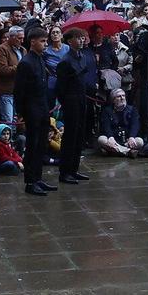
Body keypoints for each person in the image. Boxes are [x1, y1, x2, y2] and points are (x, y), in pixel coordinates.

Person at [55, 25, 98, 185]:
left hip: (82, 98)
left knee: (79, 134)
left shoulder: (82, 56)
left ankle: (74, 169)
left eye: (82, 38)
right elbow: (61, 87)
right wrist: (66, 101)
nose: (81, 40)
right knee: (70, 136)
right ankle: (65, 171)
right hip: (71, 100)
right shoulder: (66, 60)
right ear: (70, 40)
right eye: (78, 38)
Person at [16, 22, 54, 195]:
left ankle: (38, 178)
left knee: (41, 146)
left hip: (43, 107)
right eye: (42, 41)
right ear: (32, 41)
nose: (46, 44)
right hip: (32, 109)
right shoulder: (26, 62)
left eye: (46, 41)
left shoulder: (40, 59)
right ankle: (30, 182)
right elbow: (20, 90)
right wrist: (21, 113)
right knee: (33, 145)